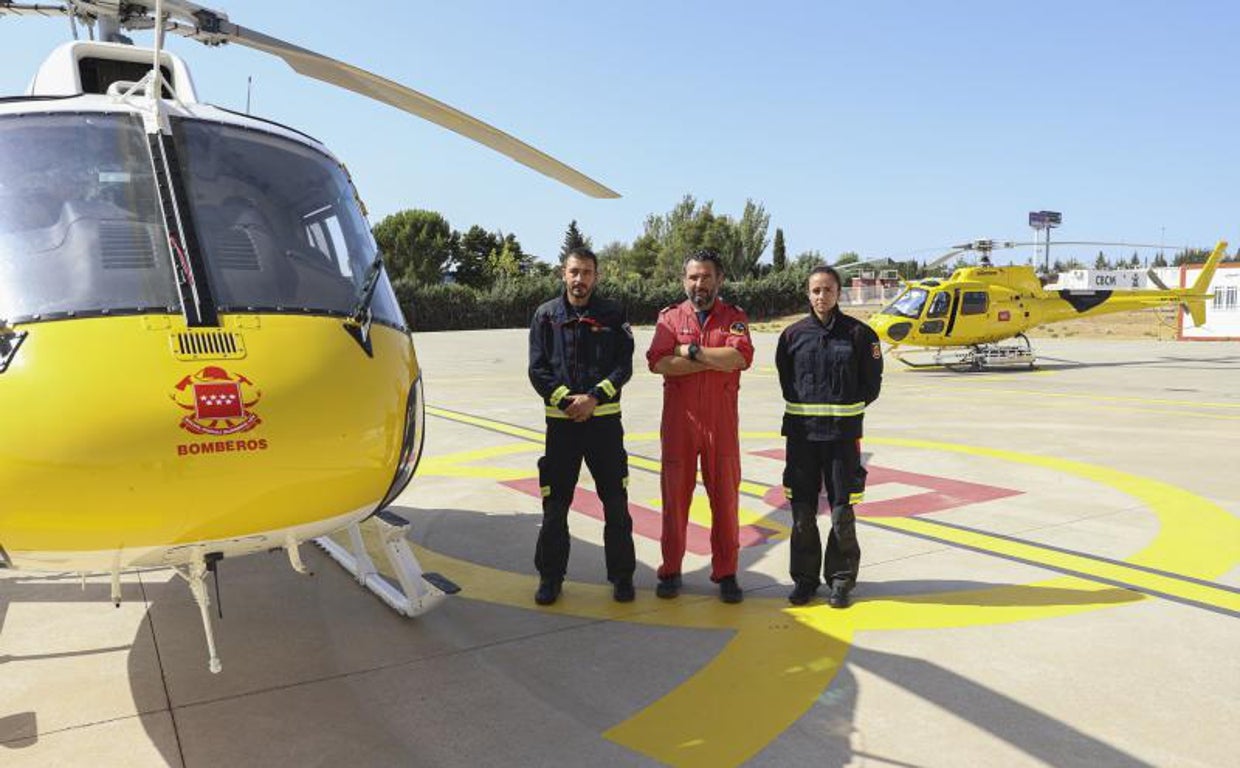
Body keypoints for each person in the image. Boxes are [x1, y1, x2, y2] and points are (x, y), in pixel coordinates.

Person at [528, 246, 636, 605]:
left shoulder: (613, 313)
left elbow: (624, 365)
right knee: (555, 507)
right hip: (562, 430)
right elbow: (537, 368)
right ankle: (550, 578)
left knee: (616, 504)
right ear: (563, 273)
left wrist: (593, 398)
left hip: (604, 428)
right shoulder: (545, 316)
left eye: (587, 272)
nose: (580, 279)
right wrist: (565, 401)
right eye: (574, 272)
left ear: (596, 276)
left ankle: (622, 577)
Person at [646, 249, 754, 603]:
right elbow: (659, 363)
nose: (699, 283)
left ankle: (726, 573)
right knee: (674, 500)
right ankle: (671, 570)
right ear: (684, 280)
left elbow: (738, 357)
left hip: (721, 426)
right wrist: (712, 360)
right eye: (693, 277)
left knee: (725, 500)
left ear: (719, 279)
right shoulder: (670, 318)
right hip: (680, 424)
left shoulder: (733, 318)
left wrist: (690, 352)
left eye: (706, 277)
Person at [775, 265, 883, 608]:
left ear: (839, 293)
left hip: (841, 440)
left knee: (842, 512)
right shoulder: (792, 336)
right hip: (802, 439)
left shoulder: (861, 336)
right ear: (808, 294)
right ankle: (805, 580)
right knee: (802, 513)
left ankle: (840, 580)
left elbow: (872, 385)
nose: (822, 296)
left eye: (828, 290)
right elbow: (786, 381)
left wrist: (843, 409)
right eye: (816, 290)